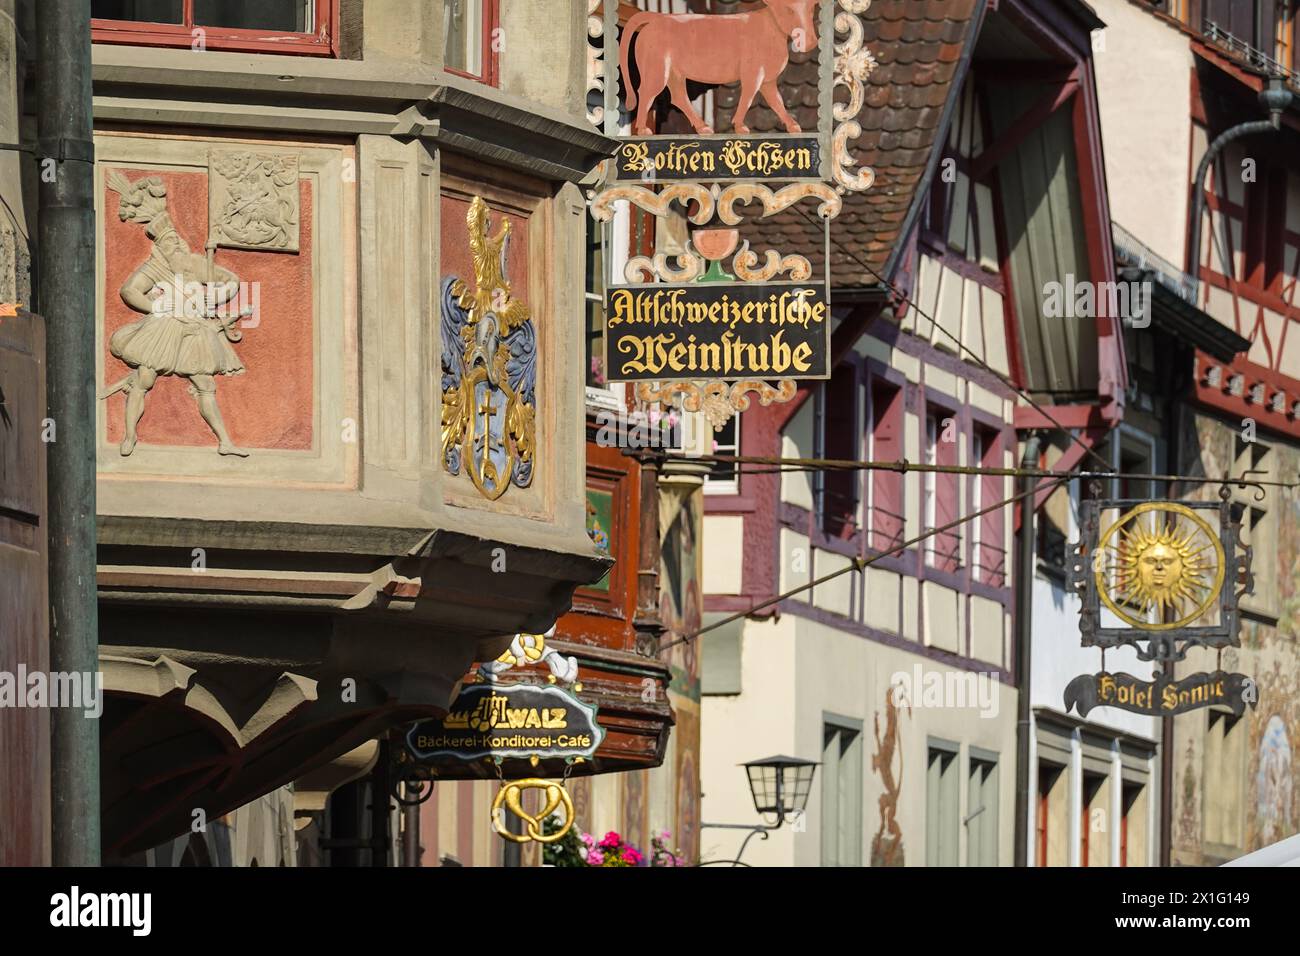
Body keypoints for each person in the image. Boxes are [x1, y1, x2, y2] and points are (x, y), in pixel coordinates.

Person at [100, 172, 251, 457]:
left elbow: (231, 280)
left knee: (205, 383)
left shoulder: (194, 264)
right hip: (164, 328)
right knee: (144, 377)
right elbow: (129, 291)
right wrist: (157, 307)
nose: (175, 247)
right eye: (168, 244)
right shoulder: (153, 269)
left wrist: (212, 296)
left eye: (176, 242)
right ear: (160, 248)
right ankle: (130, 434)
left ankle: (225, 442)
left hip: (195, 331)